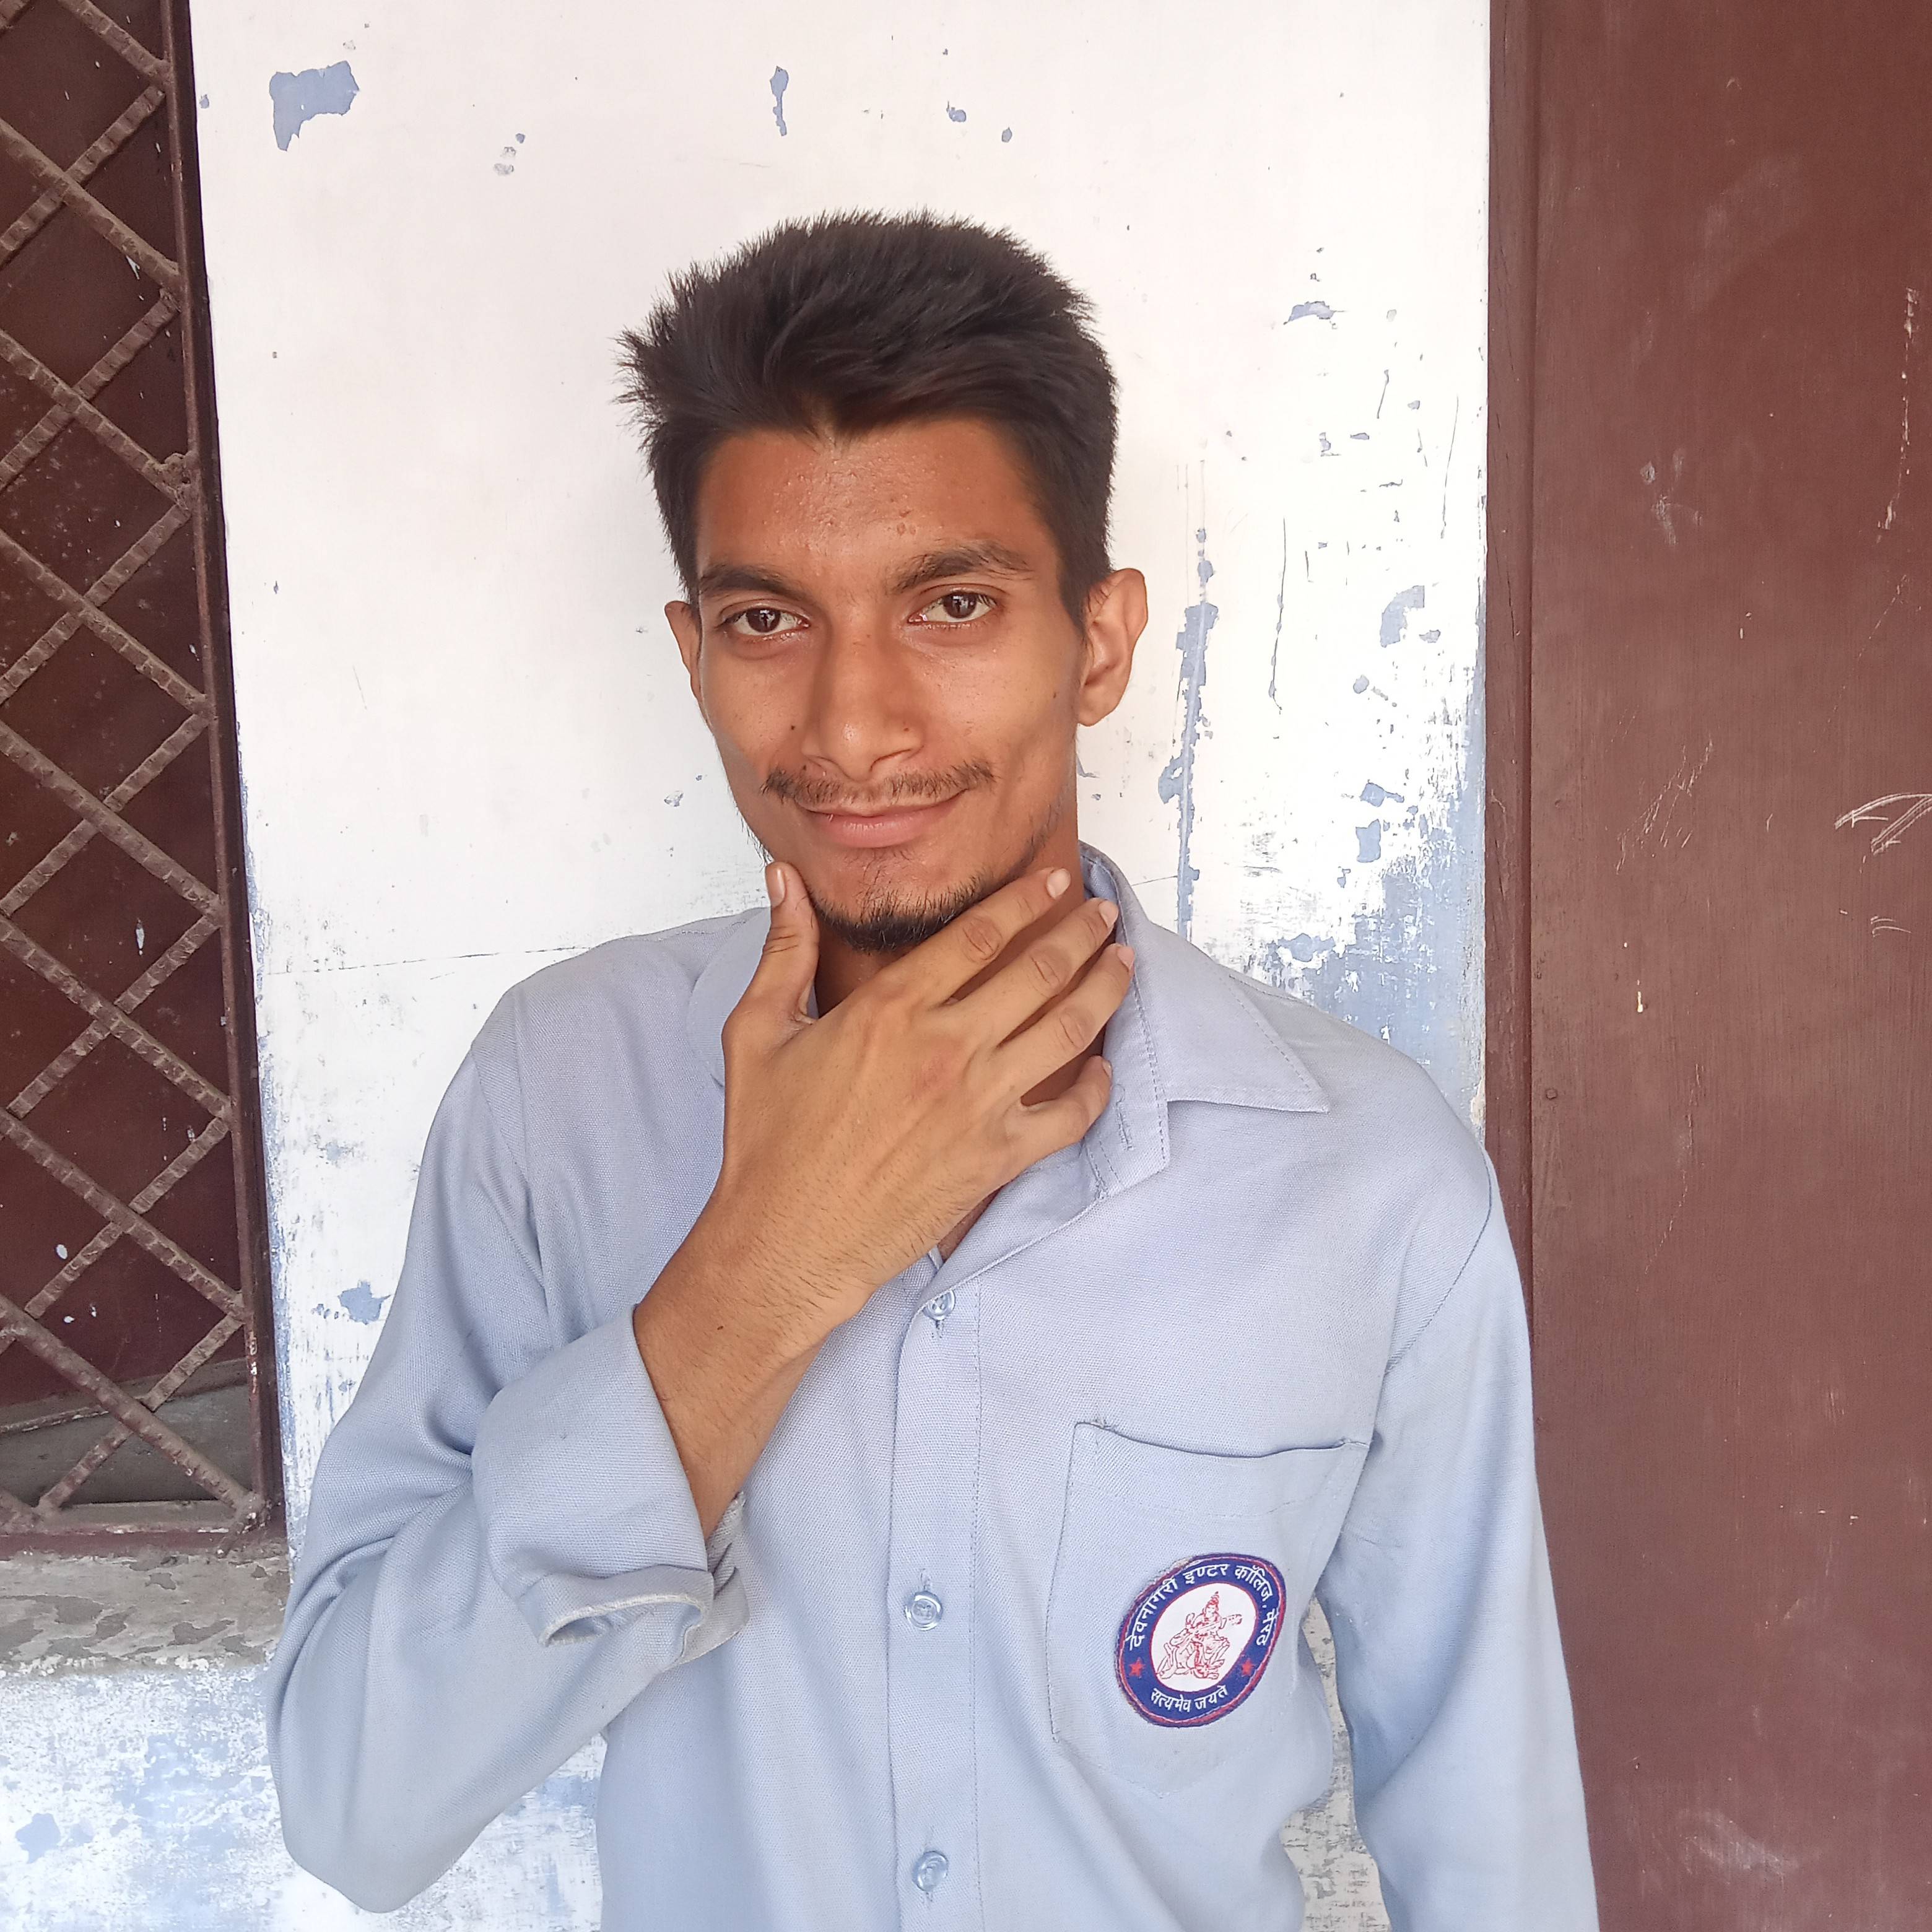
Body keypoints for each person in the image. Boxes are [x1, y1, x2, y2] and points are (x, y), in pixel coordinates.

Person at [263, 209, 1598, 1931]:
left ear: (1100, 644)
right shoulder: (558, 1100)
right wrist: (760, 1276)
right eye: (767, 619)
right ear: (691, 654)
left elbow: (1492, 1841)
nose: (852, 726)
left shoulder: (1367, 1177)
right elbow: (355, 1807)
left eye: (952, 604)